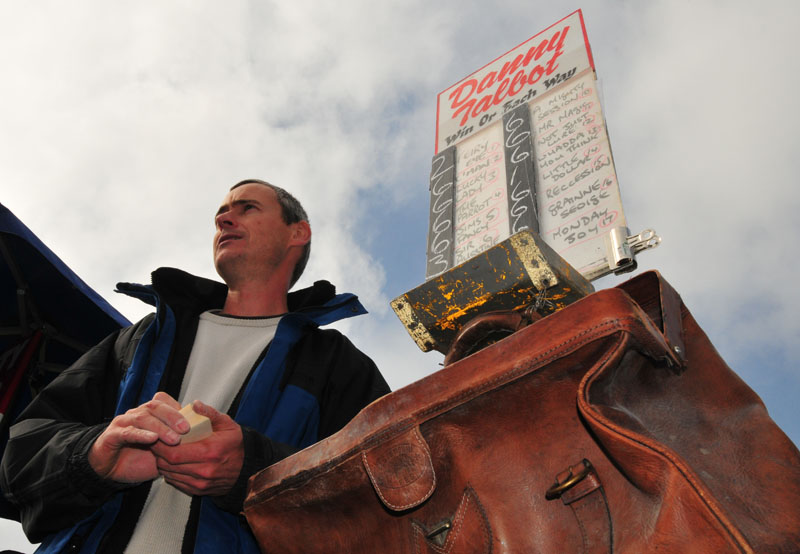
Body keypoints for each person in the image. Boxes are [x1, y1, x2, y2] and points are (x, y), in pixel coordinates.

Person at [0, 180, 390, 553]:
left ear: (297, 232)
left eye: (247, 208)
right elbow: (18, 458)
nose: (223, 220)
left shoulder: (337, 364)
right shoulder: (138, 341)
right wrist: (92, 456)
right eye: (221, 213)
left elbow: (385, 492)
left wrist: (253, 472)